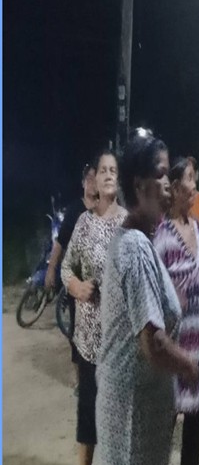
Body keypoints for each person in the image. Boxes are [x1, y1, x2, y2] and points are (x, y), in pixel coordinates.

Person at [96, 134, 198, 465]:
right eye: (162, 174)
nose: (168, 184)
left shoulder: (140, 240)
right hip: (130, 431)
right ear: (139, 185)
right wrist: (189, 366)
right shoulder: (135, 246)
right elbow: (153, 343)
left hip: (139, 431)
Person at [61, 150, 127, 465]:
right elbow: (67, 267)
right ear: (95, 180)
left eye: (113, 170)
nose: (108, 175)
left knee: (115, 421)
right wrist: (75, 287)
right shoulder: (84, 223)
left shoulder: (129, 224)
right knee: (88, 418)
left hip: (118, 346)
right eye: (103, 170)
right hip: (88, 343)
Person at [153, 158, 199, 465]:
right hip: (174, 353)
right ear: (174, 188)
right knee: (163, 428)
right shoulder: (161, 238)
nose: (195, 185)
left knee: (193, 429)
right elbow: (154, 298)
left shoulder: (198, 229)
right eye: (190, 179)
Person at [45, 163, 98, 389]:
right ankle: (80, 380)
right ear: (83, 183)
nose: (93, 184)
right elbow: (60, 243)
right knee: (77, 332)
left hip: (99, 283)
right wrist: (51, 269)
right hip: (77, 282)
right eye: (90, 179)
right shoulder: (75, 210)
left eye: (96, 179)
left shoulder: (105, 208)